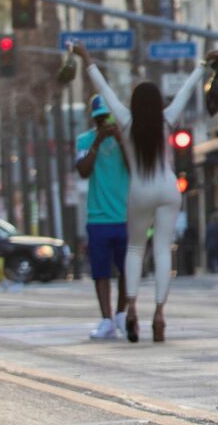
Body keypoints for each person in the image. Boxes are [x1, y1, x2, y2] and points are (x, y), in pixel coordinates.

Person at [74, 42, 215, 344]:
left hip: (140, 189)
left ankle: (133, 309)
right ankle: (160, 314)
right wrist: (203, 65)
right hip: (168, 187)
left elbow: (102, 85)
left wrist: (86, 58)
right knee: (163, 250)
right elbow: (186, 91)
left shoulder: (124, 121)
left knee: (135, 249)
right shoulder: (166, 120)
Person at [73, 96, 130, 339]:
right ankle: (106, 318)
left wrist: (120, 139)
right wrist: (97, 140)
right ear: (94, 118)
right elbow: (83, 170)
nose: (105, 122)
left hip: (125, 216)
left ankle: (121, 314)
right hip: (98, 218)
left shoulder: (125, 139)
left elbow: (134, 167)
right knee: (101, 272)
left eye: (109, 117)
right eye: (100, 118)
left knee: (128, 271)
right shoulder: (84, 140)